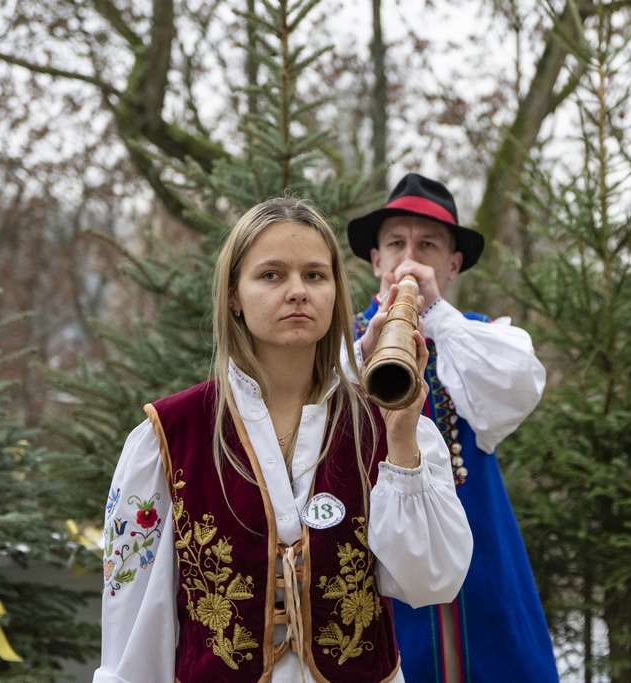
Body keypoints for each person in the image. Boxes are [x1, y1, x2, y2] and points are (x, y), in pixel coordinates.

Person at [94, 197, 473, 683]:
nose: (297, 292)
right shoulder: (169, 435)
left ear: (335, 291)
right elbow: (132, 635)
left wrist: (400, 441)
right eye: (271, 275)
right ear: (234, 294)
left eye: (315, 275)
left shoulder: (389, 425)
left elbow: (432, 582)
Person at [348, 173, 558, 683]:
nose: (409, 259)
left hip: (479, 553)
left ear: (453, 264)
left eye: (428, 245)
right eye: (396, 244)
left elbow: (519, 386)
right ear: (376, 259)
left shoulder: (476, 338)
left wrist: (437, 315)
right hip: (373, 558)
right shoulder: (344, 346)